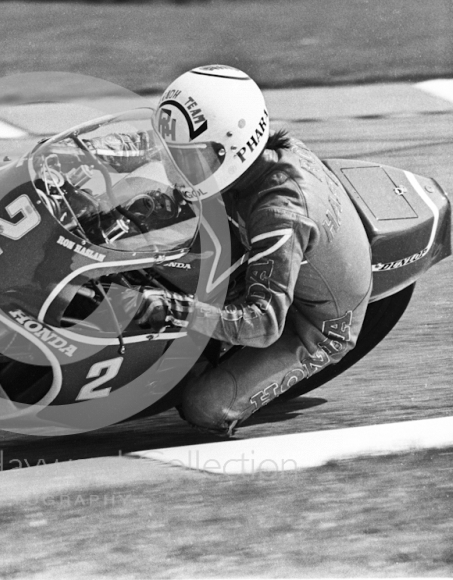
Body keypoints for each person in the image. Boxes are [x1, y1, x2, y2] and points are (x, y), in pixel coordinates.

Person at [129, 65, 374, 436]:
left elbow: (264, 324)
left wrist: (179, 311)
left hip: (312, 324)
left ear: (234, 149)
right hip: (269, 242)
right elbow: (151, 149)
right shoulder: (248, 158)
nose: (177, 169)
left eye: (190, 158)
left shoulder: (278, 216)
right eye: (174, 154)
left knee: (202, 405)